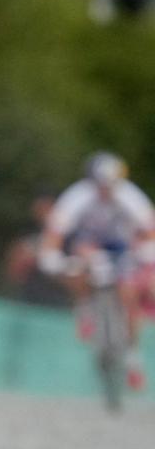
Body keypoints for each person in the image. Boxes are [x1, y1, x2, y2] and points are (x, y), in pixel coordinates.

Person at [38, 152, 155, 391]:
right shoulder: (76, 197)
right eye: (102, 186)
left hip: (122, 246)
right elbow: (55, 233)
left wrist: (146, 251)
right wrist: (51, 256)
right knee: (77, 263)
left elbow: (149, 229)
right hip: (87, 244)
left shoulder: (131, 196)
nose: (107, 191)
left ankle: (133, 358)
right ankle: (85, 309)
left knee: (129, 293)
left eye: (111, 186)